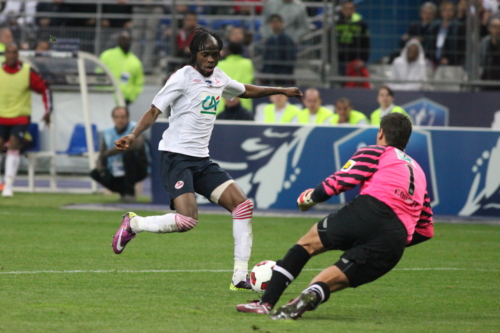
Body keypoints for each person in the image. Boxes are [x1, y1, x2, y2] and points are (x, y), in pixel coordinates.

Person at [111, 28, 303, 291]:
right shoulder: (182, 78)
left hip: (201, 160)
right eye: (206, 54)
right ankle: (134, 223)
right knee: (187, 220)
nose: (212, 60)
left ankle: (239, 277)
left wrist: (280, 90)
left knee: (243, 206)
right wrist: (133, 135)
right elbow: (155, 109)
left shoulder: (219, 78)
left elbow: (245, 90)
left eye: (216, 55)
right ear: (195, 54)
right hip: (176, 156)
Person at [237, 113, 434, 319]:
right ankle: (309, 295)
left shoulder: (378, 152)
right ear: (406, 140)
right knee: (335, 278)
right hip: (395, 238)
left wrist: (310, 198)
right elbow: (426, 230)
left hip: (369, 210)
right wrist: (389, 240)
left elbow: (342, 180)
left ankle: (266, 303)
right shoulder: (419, 173)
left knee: (307, 244)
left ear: (381, 132)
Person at [0, 43, 52, 197]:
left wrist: (48, 111)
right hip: (1, 116)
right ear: (5, 54)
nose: (11, 55)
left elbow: (44, 88)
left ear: (18, 55)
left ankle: (8, 185)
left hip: (20, 117)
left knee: (14, 143)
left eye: (14, 52)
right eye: (9, 52)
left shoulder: (26, 71)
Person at [90, 106, 149, 203]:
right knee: (95, 173)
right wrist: (101, 170)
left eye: (123, 117)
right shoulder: (107, 133)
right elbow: (102, 154)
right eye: (117, 117)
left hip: (137, 167)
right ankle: (123, 192)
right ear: (113, 119)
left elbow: (135, 145)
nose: (120, 120)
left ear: (128, 118)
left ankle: (129, 193)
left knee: (129, 155)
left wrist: (111, 151)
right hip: (115, 167)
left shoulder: (135, 128)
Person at [100, 31, 144, 106]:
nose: (125, 42)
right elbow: (99, 75)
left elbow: (139, 82)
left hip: (125, 100)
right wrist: (100, 92)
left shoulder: (135, 62)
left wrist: (131, 97)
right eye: (123, 39)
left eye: (127, 40)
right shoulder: (107, 56)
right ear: (118, 41)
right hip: (106, 97)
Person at [217, 42, 254, 113]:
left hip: (223, 106)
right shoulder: (248, 64)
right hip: (245, 106)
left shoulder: (220, 65)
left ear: (229, 51)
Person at [261, 14, 297, 86]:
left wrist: (286, 73)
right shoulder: (269, 40)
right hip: (269, 74)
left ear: (281, 23)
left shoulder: (287, 40)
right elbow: (266, 57)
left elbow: (290, 57)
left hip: (283, 75)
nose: (275, 24)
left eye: (277, 22)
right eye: (272, 22)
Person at [336, 0, 370, 75]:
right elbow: (330, 41)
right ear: (342, 10)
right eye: (346, 8)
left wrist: (363, 60)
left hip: (355, 59)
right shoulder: (336, 23)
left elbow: (366, 43)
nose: (349, 11)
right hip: (339, 58)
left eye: (351, 8)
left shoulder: (361, 23)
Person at [426, 1, 465, 66]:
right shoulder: (434, 27)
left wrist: (449, 60)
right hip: (434, 61)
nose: (447, 12)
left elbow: (460, 48)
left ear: (453, 12)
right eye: (445, 10)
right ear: (441, 12)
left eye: (450, 10)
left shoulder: (458, 28)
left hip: (451, 63)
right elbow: (429, 44)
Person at [480, 18, 500, 90]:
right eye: (494, 27)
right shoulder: (484, 43)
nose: (497, 30)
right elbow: (479, 59)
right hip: (487, 80)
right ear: (490, 29)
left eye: (499, 27)